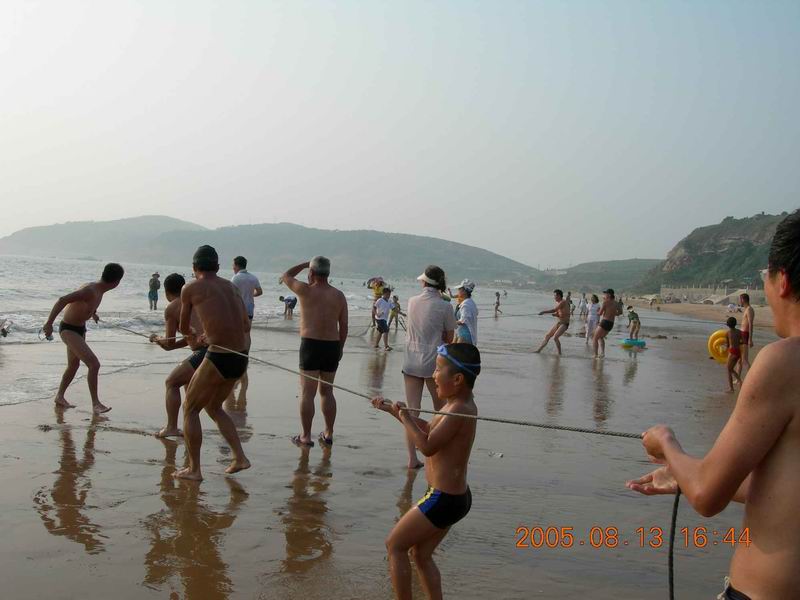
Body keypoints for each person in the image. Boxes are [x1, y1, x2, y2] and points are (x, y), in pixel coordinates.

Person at [625, 209, 800, 599]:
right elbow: (785, 490)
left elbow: (707, 495)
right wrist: (684, 476)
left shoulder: (785, 361)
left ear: (782, 280)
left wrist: (667, 443)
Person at [371, 342, 479, 600]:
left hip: (443, 499)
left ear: (457, 379)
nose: (433, 375)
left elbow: (427, 446)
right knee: (420, 554)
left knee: (395, 545)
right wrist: (394, 411)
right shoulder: (455, 405)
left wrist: (405, 417)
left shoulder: (460, 410)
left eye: (438, 369)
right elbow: (429, 430)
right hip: (454, 498)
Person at [174, 245, 251, 481]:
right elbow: (245, 325)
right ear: (217, 267)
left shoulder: (190, 288)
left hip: (219, 356)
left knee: (190, 408)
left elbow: (183, 327)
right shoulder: (231, 287)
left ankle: (194, 469)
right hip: (241, 356)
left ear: (194, 267)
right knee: (214, 407)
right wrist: (211, 333)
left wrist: (195, 334)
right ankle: (240, 457)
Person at [281, 256, 348, 448]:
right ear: (328, 273)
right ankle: (328, 433)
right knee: (327, 392)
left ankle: (306, 436)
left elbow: (286, 275)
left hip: (311, 345)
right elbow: (344, 326)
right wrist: (340, 348)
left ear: (311, 272)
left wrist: (304, 264)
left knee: (307, 393)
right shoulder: (339, 295)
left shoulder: (305, 290)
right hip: (332, 345)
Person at [43, 263, 125, 414]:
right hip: (68, 329)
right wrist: (48, 324)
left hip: (80, 329)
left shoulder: (99, 290)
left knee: (73, 365)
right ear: (117, 282)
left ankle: (59, 397)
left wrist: (93, 313)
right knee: (94, 364)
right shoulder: (90, 290)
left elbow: (85, 304)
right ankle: (96, 404)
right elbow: (62, 300)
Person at [402, 265, 457, 469]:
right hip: (435, 362)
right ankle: (438, 453)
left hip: (411, 360)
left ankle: (412, 458)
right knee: (440, 410)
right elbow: (450, 338)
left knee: (411, 411)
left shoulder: (411, 301)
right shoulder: (446, 306)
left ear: (424, 282)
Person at [148, 273, 207, 438]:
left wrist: (156, 338)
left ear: (167, 292)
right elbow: (190, 339)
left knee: (172, 383)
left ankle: (171, 427)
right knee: (188, 387)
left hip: (204, 352)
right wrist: (167, 343)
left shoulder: (172, 307)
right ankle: (188, 428)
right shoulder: (196, 301)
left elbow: (169, 343)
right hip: (214, 349)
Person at [535, 289, 570, 355]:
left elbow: (554, 310)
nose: (554, 297)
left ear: (559, 296)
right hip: (559, 323)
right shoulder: (558, 303)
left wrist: (543, 312)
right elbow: (559, 312)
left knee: (555, 337)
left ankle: (559, 354)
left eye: (555, 296)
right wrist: (556, 315)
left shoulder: (563, 302)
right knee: (548, 336)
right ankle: (538, 350)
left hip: (564, 324)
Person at [231, 256, 263, 321]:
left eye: (233, 265)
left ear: (237, 266)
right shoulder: (253, 277)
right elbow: (260, 292)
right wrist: (251, 294)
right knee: (248, 327)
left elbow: (230, 294)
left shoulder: (235, 278)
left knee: (238, 327)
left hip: (238, 309)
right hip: (249, 309)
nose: (233, 268)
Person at [592, 289, 617, 358]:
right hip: (611, 324)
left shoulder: (605, 302)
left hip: (605, 322)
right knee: (600, 337)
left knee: (594, 338)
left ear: (609, 295)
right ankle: (602, 353)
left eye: (605, 294)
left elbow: (600, 313)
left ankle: (595, 355)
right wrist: (611, 312)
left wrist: (597, 311)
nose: (604, 295)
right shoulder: (616, 303)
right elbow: (619, 312)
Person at [454, 280, 478, 345]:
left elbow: (463, 321)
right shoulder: (470, 302)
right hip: (462, 334)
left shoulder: (466, 305)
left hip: (464, 336)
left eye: (459, 289)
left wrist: (448, 323)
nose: (458, 290)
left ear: (464, 291)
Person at [724, 316, 744, 393]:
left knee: (728, 369)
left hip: (732, 351)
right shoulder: (739, 332)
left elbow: (728, 345)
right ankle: (739, 381)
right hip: (738, 351)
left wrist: (724, 351)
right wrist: (737, 342)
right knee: (731, 369)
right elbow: (743, 341)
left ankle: (732, 388)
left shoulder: (728, 333)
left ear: (728, 325)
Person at [739, 293, 755, 374]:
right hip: (742, 334)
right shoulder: (746, 309)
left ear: (743, 300)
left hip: (745, 335)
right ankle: (738, 378)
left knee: (745, 360)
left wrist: (750, 339)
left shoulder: (749, 309)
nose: (739, 302)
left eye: (740, 300)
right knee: (739, 359)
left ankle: (752, 377)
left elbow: (750, 324)